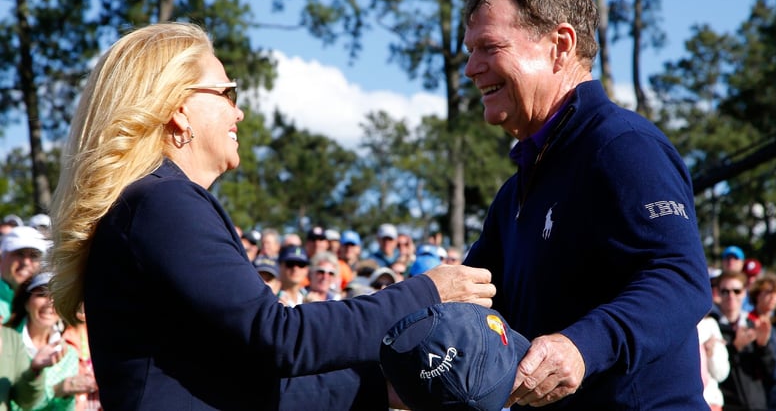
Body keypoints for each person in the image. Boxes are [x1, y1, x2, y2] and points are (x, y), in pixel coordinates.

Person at [46, 22, 494, 410]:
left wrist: (381, 388)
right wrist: (426, 294)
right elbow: (281, 338)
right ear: (179, 108)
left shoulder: (151, 204)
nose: (238, 111)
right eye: (226, 92)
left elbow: (239, 380)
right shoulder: (163, 203)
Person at [460, 0, 711, 408]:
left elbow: (680, 278)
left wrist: (581, 347)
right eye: (469, 51)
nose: (470, 68)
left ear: (560, 45)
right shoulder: (513, 195)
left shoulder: (623, 148)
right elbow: (468, 305)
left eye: (489, 47)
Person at [7, 274, 97, 411]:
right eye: (42, 294)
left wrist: (67, 396)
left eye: (57, 296)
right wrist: (57, 390)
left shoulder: (68, 354)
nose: (50, 302)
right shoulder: (7, 344)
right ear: (26, 302)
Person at [714, 271, 774, 410]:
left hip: (757, 405)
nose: (731, 296)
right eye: (725, 291)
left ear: (744, 293)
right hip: (728, 405)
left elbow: (770, 372)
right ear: (717, 293)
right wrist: (734, 348)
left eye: (736, 291)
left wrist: (763, 346)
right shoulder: (711, 325)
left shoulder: (754, 324)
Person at [0, 227, 49, 323]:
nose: (26, 262)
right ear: (1, 258)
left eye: (34, 256)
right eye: (19, 254)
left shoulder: (46, 304)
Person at [697, 315, 730, 411]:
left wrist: (711, 353)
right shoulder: (675, 326)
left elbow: (721, 374)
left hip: (711, 403)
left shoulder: (709, 325)